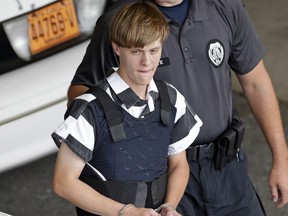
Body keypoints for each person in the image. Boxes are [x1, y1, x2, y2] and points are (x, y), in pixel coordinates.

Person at [66, 0, 288, 215]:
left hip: (227, 168)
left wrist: (281, 158)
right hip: (164, 177)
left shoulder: (224, 5)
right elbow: (81, 92)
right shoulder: (122, 19)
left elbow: (256, 83)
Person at [52, 2, 203, 216]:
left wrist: (169, 206)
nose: (147, 62)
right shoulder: (90, 109)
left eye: (154, 50)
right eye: (136, 51)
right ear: (117, 48)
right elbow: (63, 182)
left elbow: (179, 164)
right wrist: (127, 212)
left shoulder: (171, 98)